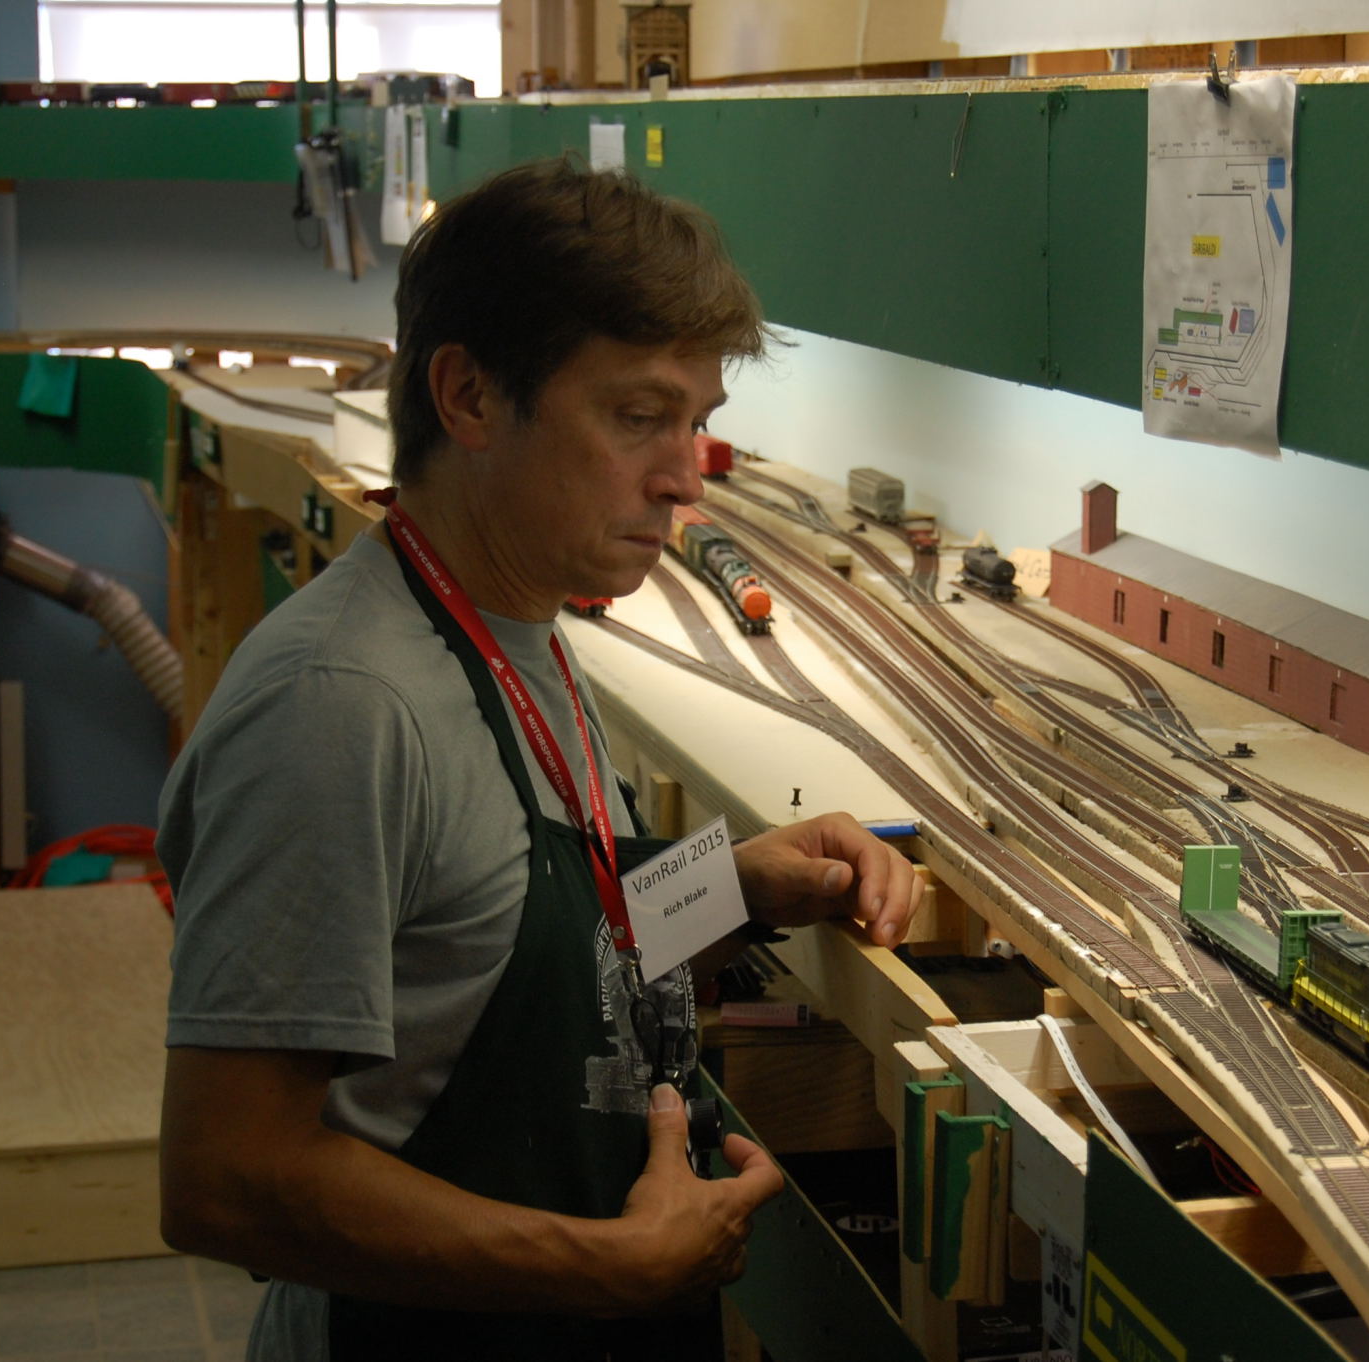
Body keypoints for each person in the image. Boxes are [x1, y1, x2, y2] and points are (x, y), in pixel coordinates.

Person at [157, 159, 923, 1361]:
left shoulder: (517, 628)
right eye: (637, 417)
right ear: (468, 396)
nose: (684, 475)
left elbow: (499, 934)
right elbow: (225, 1178)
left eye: (697, 422)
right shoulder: (341, 708)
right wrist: (602, 1267)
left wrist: (736, 885)